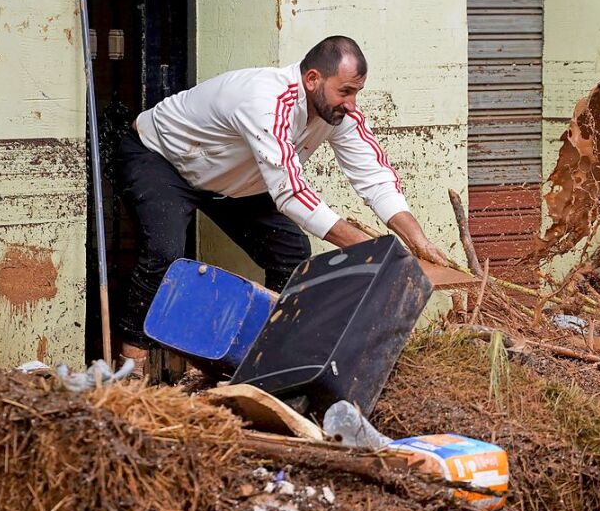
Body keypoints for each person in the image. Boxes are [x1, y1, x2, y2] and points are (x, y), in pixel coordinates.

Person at [117, 35, 451, 371]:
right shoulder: (265, 99)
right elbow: (290, 192)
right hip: (161, 159)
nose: (352, 103)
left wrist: (416, 239)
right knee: (164, 252)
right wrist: (373, 250)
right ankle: (130, 370)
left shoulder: (339, 113)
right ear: (312, 79)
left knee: (291, 253)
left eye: (356, 93)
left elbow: (375, 177)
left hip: (231, 178)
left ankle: (263, 360)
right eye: (345, 91)